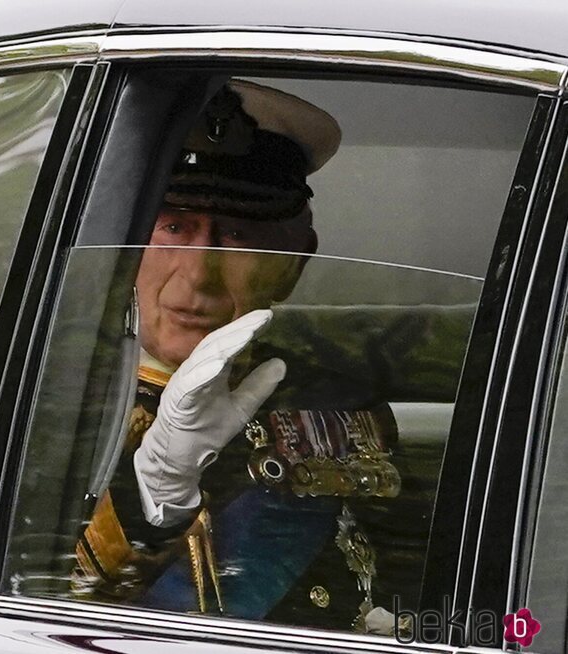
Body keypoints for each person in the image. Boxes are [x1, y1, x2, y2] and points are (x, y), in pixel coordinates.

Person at [73, 80, 404, 633]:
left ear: (293, 264)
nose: (199, 274)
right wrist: (154, 503)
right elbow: (5, 613)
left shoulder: (340, 405)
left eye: (237, 235)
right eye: (174, 228)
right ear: (123, 249)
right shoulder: (19, 404)